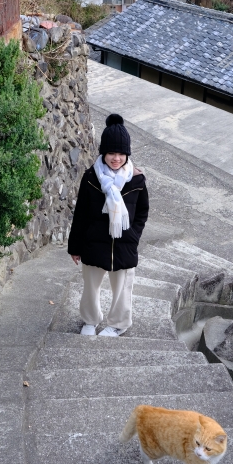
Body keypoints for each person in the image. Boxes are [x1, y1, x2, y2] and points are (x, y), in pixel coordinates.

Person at [67, 113, 149, 337]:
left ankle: (118, 324)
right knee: (90, 287)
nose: (116, 158)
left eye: (121, 153)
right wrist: (75, 247)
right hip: (94, 243)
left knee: (123, 290)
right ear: (103, 152)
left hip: (124, 245)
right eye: (111, 153)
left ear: (127, 154)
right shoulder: (91, 177)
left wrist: (133, 235)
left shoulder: (137, 179)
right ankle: (90, 321)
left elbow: (142, 211)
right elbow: (81, 213)